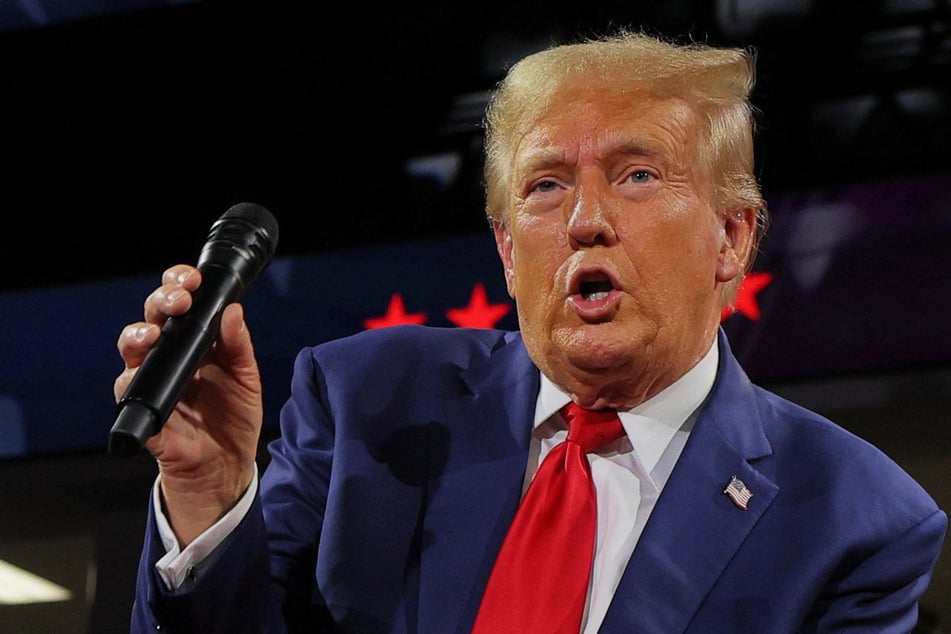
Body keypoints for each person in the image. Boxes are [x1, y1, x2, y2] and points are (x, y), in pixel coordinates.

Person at [114, 30, 947, 633]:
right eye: (545, 185)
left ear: (731, 237)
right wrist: (209, 495)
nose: (585, 219)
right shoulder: (371, 402)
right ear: (508, 250)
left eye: (636, 174)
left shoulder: (854, 519)